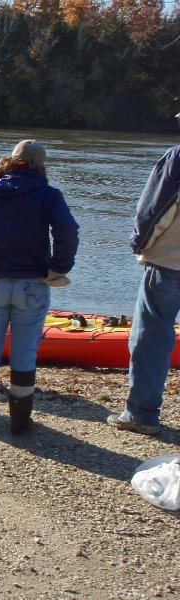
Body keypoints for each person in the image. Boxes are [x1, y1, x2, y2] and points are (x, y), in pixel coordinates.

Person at [0, 140, 79, 434]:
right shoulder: (48, 195)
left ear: (11, 161)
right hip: (32, 284)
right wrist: (58, 269)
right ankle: (20, 421)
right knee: (24, 354)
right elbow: (68, 232)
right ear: (40, 165)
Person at [108, 118, 180, 436]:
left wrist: (139, 244)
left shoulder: (177, 157)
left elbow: (155, 210)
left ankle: (141, 413)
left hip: (169, 263)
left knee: (150, 338)